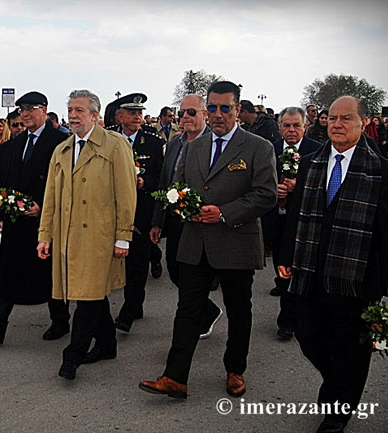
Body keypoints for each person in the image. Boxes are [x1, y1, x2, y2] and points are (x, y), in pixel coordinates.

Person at [139, 81, 277, 399]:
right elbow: (177, 187)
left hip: (236, 241)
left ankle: (235, 371)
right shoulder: (192, 146)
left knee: (239, 310)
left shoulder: (258, 147)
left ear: (238, 110)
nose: (217, 114)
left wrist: (225, 212)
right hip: (196, 241)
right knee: (187, 310)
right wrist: (183, 207)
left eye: (224, 108)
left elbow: (266, 194)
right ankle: (175, 377)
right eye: (212, 107)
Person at [277, 96, 388, 433]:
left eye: (346, 118)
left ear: (362, 122)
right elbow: (295, 214)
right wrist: (284, 257)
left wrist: (382, 282)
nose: (337, 124)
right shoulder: (311, 162)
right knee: (309, 335)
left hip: (357, 277)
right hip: (311, 270)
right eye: (332, 118)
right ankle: (339, 383)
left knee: (351, 347)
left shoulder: (380, 168)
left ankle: (338, 412)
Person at [38, 89, 137, 380]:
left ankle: (73, 355)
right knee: (91, 294)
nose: (72, 115)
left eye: (79, 110)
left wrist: (123, 236)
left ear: (95, 115)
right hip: (68, 237)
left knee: (87, 296)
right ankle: (107, 344)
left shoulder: (115, 145)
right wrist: (45, 235)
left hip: (100, 236)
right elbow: (50, 197)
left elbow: (127, 194)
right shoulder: (62, 150)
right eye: (70, 110)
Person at [0, 91, 71, 345]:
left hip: (45, 220)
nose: (25, 113)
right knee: (10, 269)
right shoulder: (15, 144)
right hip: (16, 219)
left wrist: (43, 206)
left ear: (44, 110)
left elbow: (66, 183)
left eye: (31, 108)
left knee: (47, 272)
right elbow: (5, 181)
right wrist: (1, 212)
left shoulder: (61, 142)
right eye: (22, 108)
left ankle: (60, 319)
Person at [149, 94, 223, 340]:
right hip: (174, 218)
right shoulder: (173, 144)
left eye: (192, 112)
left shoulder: (215, 144)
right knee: (175, 270)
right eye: (182, 113)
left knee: (193, 274)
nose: (185, 118)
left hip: (200, 220)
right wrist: (157, 221)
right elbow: (164, 181)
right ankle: (208, 309)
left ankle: (194, 320)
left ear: (205, 114)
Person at [263, 107, 322, 340]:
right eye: (286, 125)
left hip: (305, 221)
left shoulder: (316, 152)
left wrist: (298, 189)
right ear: (279, 128)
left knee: (302, 271)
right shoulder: (270, 150)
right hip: (277, 219)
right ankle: (287, 312)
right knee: (282, 266)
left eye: (296, 125)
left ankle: (298, 319)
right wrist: (273, 192)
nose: (291, 130)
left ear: (305, 126)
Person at [111, 93, 164, 333]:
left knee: (137, 262)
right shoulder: (110, 138)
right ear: (120, 116)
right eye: (132, 113)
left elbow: (160, 177)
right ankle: (135, 304)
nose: (137, 117)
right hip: (113, 210)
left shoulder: (152, 142)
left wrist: (144, 182)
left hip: (141, 211)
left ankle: (129, 310)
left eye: (140, 113)